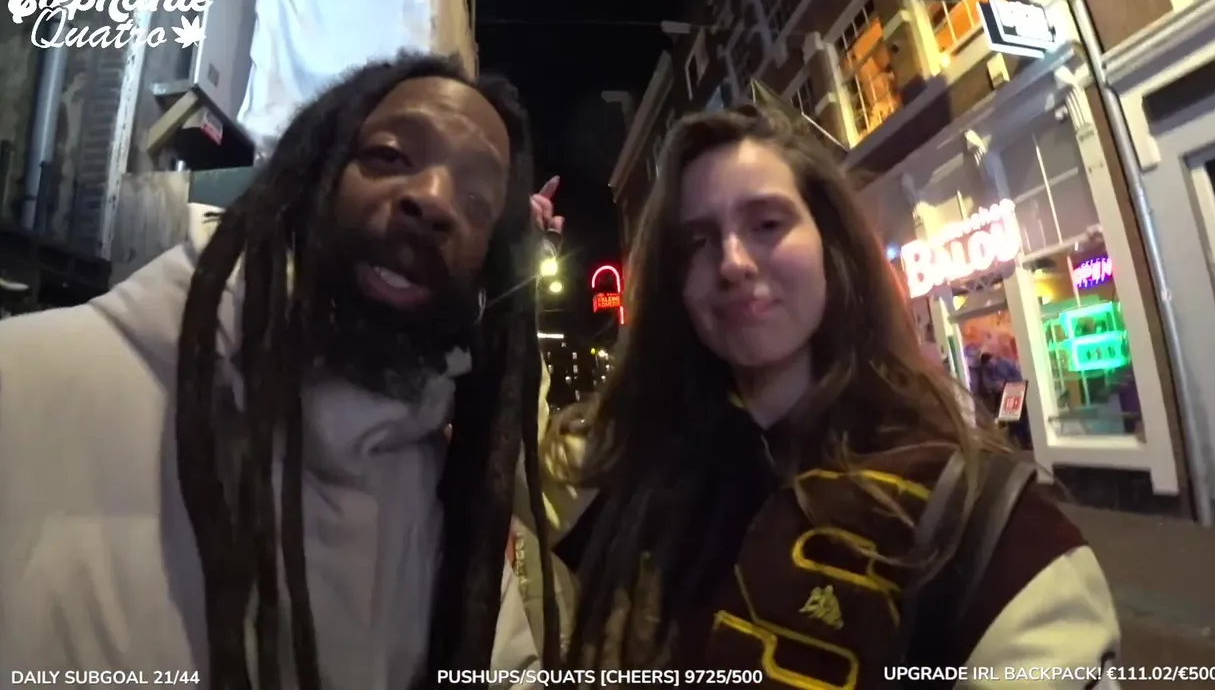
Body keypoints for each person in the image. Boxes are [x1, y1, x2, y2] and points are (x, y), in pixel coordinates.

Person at [0, 54, 566, 689]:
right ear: (311, 173)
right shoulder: (23, 387)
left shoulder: (449, 513)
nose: (435, 201)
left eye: (478, 199)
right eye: (388, 155)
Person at [524, 106, 1121, 686]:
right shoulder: (627, 474)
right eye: (698, 241)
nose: (732, 262)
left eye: (767, 224)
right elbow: (512, 450)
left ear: (830, 246)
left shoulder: (985, 533)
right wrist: (506, 265)